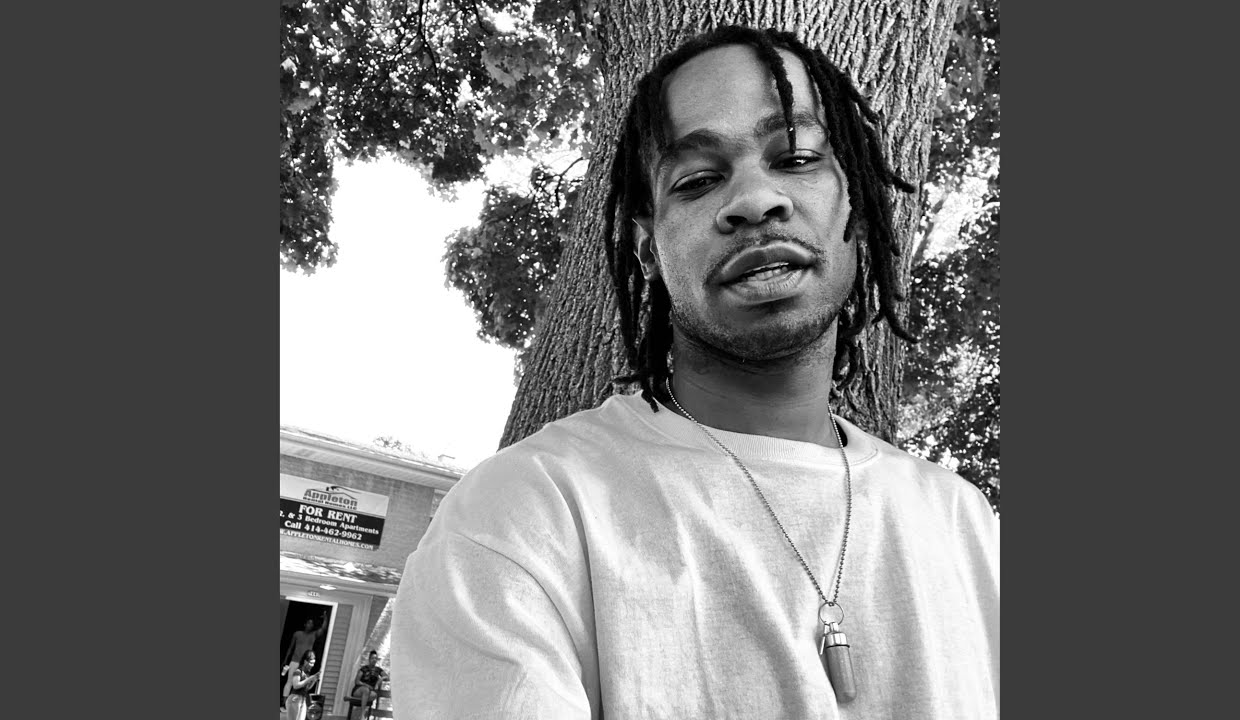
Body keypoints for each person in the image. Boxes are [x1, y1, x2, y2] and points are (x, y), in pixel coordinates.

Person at [391, 25, 998, 719]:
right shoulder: (522, 517)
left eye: (796, 157)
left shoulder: (967, 527)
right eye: (700, 180)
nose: (756, 200)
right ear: (648, 249)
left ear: (855, 210)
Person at [281, 611, 327, 703]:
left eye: (312, 624)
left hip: (305, 663)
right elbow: (290, 648)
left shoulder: (314, 634)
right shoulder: (297, 633)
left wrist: (325, 618)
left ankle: (295, 702)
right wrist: (285, 660)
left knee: (302, 683)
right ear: (305, 624)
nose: (310, 625)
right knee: (289, 682)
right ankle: (284, 702)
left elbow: (323, 628)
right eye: (309, 623)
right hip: (295, 661)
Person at [348, 650, 387, 717]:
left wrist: (380, 679)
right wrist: (366, 685)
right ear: (369, 659)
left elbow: (387, 677)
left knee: (374, 694)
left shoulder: (378, 670)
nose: (374, 660)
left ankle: (363, 701)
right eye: (372, 658)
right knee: (365, 690)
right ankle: (362, 715)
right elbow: (357, 681)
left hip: (369, 693)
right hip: (359, 690)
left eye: (375, 658)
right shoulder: (363, 669)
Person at [284, 650, 321, 720]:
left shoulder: (307, 674)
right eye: (311, 663)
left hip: (302, 699)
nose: (312, 665)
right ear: (305, 661)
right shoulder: (298, 671)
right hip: (294, 699)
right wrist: (309, 679)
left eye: (313, 663)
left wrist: (314, 680)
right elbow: (296, 685)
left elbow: (307, 688)